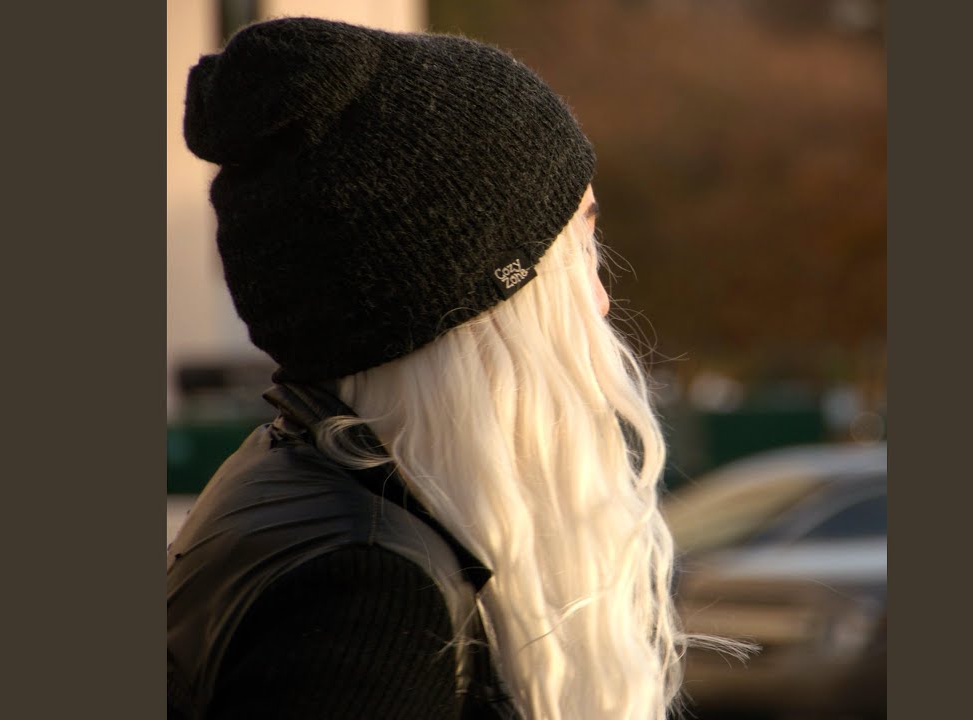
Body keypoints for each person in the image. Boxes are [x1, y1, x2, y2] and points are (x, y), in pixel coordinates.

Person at [167, 16, 748, 720]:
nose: (598, 299)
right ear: (478, 300)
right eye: (578, 246)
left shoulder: (301, 485)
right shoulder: (372, 597)